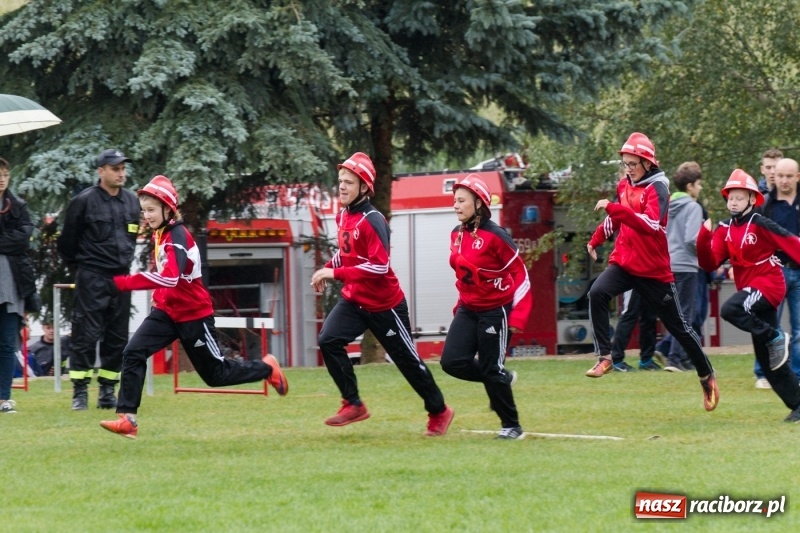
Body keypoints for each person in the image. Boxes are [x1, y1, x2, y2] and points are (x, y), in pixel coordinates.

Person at [99, 175, 288, 439]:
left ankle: (268, 368)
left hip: (194, 316)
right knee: (133, 352)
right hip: (167, 312)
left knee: (216, 375)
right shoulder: (161, 233)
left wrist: (127, 283)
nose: (147, 215)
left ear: (168, 209)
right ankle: (128, 419)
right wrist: (157, 295)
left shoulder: (177, 236)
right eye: (144, 210)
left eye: (151, 210)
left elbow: (171, 277)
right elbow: (166, 277)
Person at [310, 152, 454, 436]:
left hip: (385, 305)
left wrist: (335, 274)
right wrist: (328, 266)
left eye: (348, 182)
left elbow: (378, 266)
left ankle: (439, 411)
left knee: (407, 362)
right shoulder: (343, 215)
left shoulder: (373, 220)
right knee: (328, 340)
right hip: (355, 300)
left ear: (364, 187)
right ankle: (353, 403)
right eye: (340, 181)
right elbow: (347, 253)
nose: (341, 186)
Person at [584, 132, 718, 412]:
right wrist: (595, 239)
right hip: (624, 263)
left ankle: (706, 375)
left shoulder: (659, 188)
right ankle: (605, 356)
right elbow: (615, 219)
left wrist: (615, 210)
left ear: (647, 163)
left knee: (680, 328)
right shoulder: (623, 185)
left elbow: (650, 225)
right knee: (596, 293)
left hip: (654, 271)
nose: (628, 169)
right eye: (626, 163)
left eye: (633, 164)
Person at [697, 169, 800, 422]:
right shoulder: (724, 229)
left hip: (769, 285)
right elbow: (709, 264)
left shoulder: (760, 223)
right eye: (730, 197)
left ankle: (776, 336)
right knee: (768, 362)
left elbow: (792, 243)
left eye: (739, 198)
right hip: (752, 291)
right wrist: (702, 239)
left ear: (752, 200)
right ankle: (798, 404)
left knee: (730, 309)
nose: (733, 202)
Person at [440, 174, 532, 440]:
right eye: (454, 201)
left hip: (496, 310)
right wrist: (460, 305)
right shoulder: (455, 234)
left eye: (461, 201)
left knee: (491, 369)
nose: (455, 206)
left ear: (479, 203)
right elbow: (464, 275)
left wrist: (519, 315)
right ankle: (502, 377)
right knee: (451, 362)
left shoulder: (497, 236)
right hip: (469, 309)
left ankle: (512, 426)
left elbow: (521, 275)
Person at [57, 149, 141, 411]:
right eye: (115, 168)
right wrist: (81, 269)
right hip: (92, 275)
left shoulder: (131, 202)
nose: (121, 173)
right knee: (86, 333)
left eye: (123, 168)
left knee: (117, 337)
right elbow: (67, 243)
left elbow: (131, 237)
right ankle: (79, 393)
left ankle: (107, 391)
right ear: (101, 171)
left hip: (121, 277)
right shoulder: (84, 201)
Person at [758, 157, 800, 387]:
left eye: (788, 176)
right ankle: (763, 373)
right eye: (780, 175)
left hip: (799, 272)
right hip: (775, 272)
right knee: (768, 324)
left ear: (797, 177)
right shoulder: (766, 205)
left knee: (799, 329)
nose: (783, 180)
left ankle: (798, 375)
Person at [662, 161, 704, 372]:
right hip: (686, 266)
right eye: (699, 184)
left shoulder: (668, 207)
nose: (701, 188)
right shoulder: (693, 207)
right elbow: (691, 239)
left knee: (674, 313)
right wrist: (705, 254)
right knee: (686, 313)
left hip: (668, 265)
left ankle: (684, 357)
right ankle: (674, 359)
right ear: (690, 186)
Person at [0, 157, 35, 414]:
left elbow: (23, 238)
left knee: (6, 344)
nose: (2, 178)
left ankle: (3, 398)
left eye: (5, 173)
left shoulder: (18, 206)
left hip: (10, 284)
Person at [609, 289, 660, 372]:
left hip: (650, 279)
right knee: (629, 314)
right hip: (633, 279)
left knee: (649, 317)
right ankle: (616, 360)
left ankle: (646, 360)